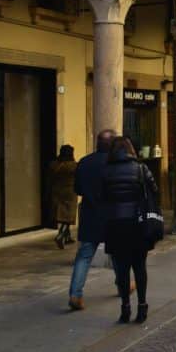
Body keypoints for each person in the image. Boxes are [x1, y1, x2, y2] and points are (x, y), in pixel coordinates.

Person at [103, 136, 158, 324]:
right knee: (139, 267)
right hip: (137, 223)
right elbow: (154, 190)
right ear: (131, 150)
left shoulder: (107, 171)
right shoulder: (141, 169)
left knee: (122, 268)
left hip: (115, 224)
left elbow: (101, 196)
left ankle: (125, 307)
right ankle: (142, 307)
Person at [68, 129, 116, 311]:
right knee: (117, 254)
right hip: (111, 215)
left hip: (89, 214)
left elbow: (78, 189)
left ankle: (75, 294)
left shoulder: (84, 162)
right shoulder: (115, 163)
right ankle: (123, 285)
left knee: (84, 256)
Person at [50, 145, 78, 249]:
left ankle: (67, 236)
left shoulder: (54, 165)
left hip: (57, 191)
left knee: (61, 214)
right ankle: (61, 235)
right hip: (70, 192)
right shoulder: (74, 166)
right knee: (68, 217)